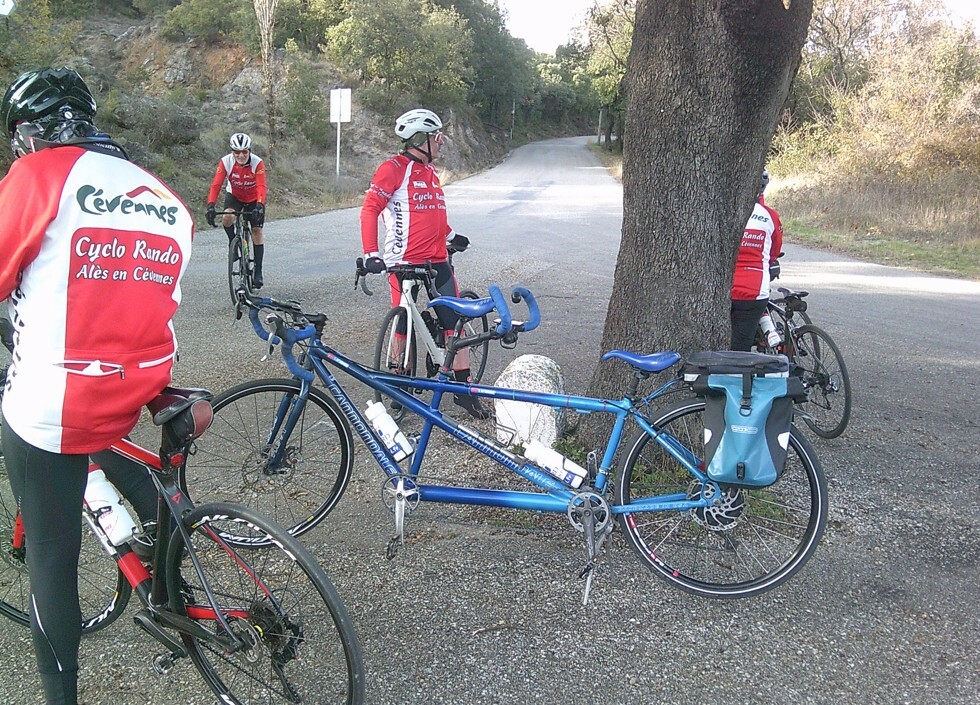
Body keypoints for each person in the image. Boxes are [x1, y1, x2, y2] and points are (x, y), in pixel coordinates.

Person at [0, 66, 193, 705]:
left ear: (28, 134)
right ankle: (166, 562)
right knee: (103, 432)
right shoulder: (162, 193)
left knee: (51, 556)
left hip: (59, 399)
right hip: (143, 383)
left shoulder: (37, 174)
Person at [359, 108, 487, 419]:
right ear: (420, 139)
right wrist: (371, 253)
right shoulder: (393, 169)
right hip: (403, 261)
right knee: (401, 322)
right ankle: (398, 384)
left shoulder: (430, 172)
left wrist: (452, 236)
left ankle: (464, 390)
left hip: (437, 260)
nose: (441, 142)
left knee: (454, 322)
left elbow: (433, 214)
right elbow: (369, 210)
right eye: (436, 137)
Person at [730, 168, 784, 351]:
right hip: (754, 291)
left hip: (724, 289)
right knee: (740, 348)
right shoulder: (770, 216)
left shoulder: (726, 212)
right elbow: (775, 251)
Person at [206, 132, 267, 288]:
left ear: (249, 150)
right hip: (235, 196)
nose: (241, 155)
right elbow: (216, 185)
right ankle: (233, 243)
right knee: (227, 217)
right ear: (232, 151)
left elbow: (261, 186)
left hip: (254, 198)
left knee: (257, 231)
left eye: (244, 151)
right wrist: (211, 205)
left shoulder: (257, 163)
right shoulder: (226, 162)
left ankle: (258, 271)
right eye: (236, 152)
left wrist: (260, 205)